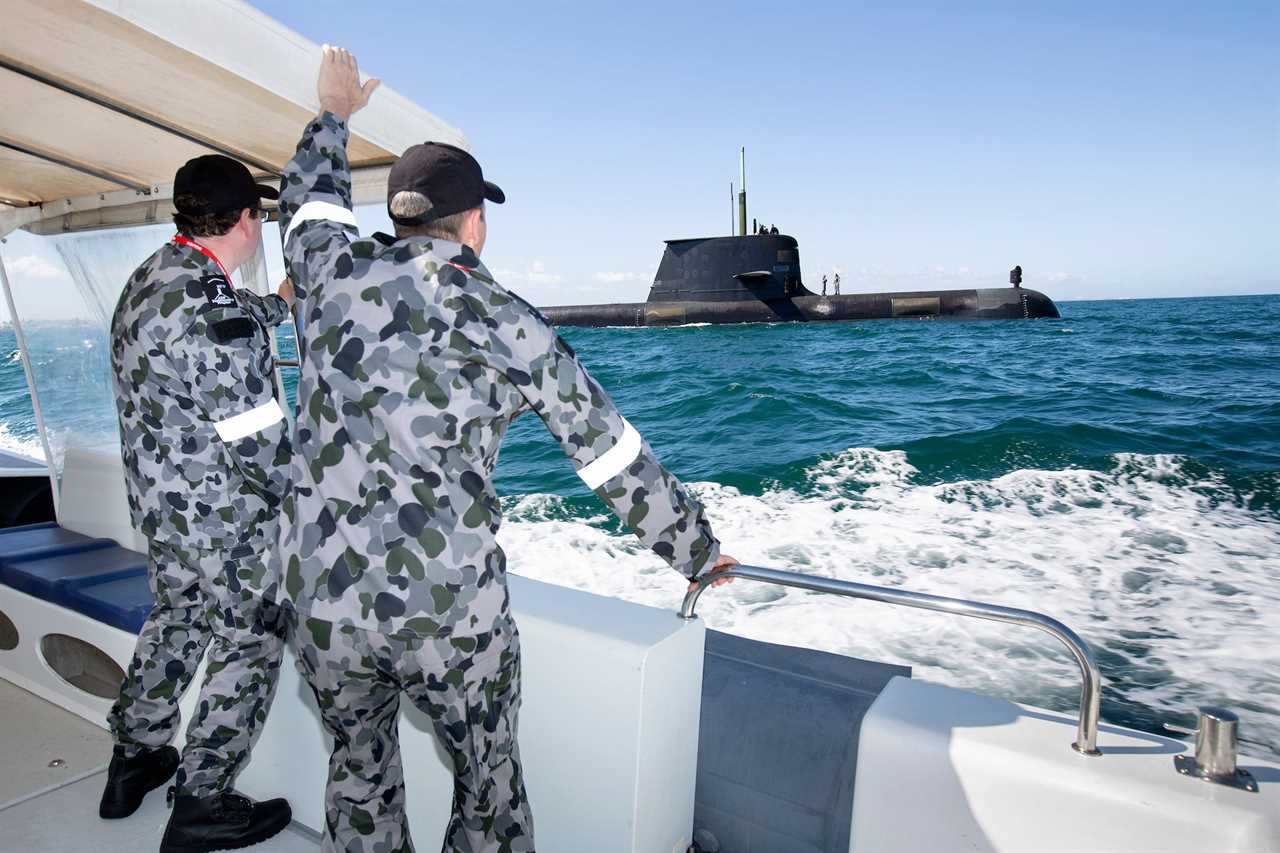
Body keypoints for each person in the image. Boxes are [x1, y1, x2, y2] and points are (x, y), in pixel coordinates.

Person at [273, 46, 737, 853]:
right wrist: (696, 550)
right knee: (488, 791)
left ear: (399, 215)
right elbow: (608, 454)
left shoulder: (325, 271)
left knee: (357, 768)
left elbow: (307, 200)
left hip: (322, 601)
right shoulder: (506, 316)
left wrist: (334, 116)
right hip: (446, 613)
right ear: (473, 222)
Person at [105, 153, 296, 851]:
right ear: (246, 220)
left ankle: (134, 758)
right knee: (251, 632)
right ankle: (202, 798)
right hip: (223, 517)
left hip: (160, 509)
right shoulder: (211, 306)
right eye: (261, 215)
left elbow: (217, 321)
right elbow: (262, 449)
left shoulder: (155, 277)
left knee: (179, 616)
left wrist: (280, 304)